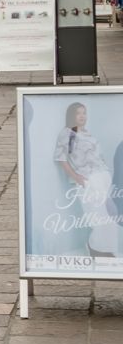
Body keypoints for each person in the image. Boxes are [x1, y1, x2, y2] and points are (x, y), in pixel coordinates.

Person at [55, 102, 118, 258]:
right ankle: (95, 247)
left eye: (84, 112)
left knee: (110, 217)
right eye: (78, 113)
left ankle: (106, 249)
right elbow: (61, 158)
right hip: (88, 179)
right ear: (72, 116)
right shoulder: (69, 134)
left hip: (103, 177)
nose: (82, 116)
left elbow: (98, 158)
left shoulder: (88, 134)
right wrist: (76, 177)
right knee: (97, 216)